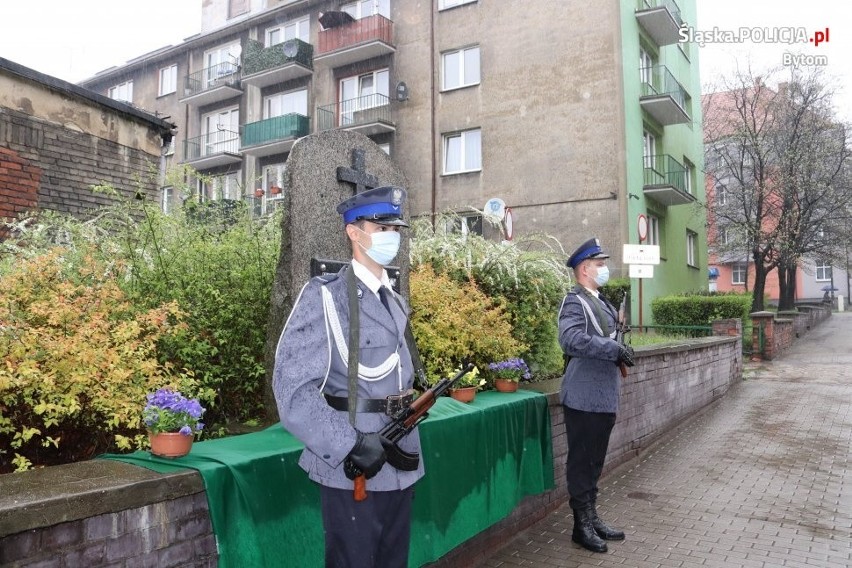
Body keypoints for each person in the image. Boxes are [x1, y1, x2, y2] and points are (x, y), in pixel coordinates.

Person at [273, 186, 423, 568]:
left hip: (400, 461)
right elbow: (292, 392)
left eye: (396, 229)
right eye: (382, 227)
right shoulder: (325, 298)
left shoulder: (394, 299)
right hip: (353, 465)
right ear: (354, 233)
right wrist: (350, 444)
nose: (392, 236)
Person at [557, 237, 634, 553]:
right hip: (583, 396)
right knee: (581, 462)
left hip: (603, 397)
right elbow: (571, 340)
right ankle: (581, 526)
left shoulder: (602, 302)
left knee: (594, 462)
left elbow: (606, 338)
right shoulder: (575, 302)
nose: (605, 269)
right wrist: (613, 347)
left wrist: (619, 340)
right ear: (585, 268)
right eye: (600, 264)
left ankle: (592, 516)